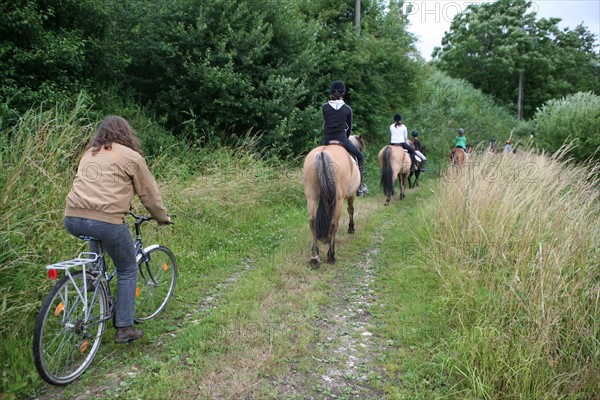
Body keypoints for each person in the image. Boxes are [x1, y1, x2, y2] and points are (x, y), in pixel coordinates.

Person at [64, 115, 171, 344]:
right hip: (107, 221)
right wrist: (161, 218)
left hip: (72, 218)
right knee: (127, 269)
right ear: (126, 133)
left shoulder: (89, 153)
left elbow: (98, 186)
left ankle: (93, 281)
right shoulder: (132, 157)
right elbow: (149, 196)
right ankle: (124, 328)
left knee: (97, 239)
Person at [322, 80, 368, 196]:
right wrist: (345, 139)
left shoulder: (325, 107)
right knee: (360, 156)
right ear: (343, 93)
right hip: (342, 139)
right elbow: (349, 128)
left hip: (326, 139)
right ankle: (360, 186)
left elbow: (325, 124)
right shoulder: (347, 109)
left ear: (331, 93)